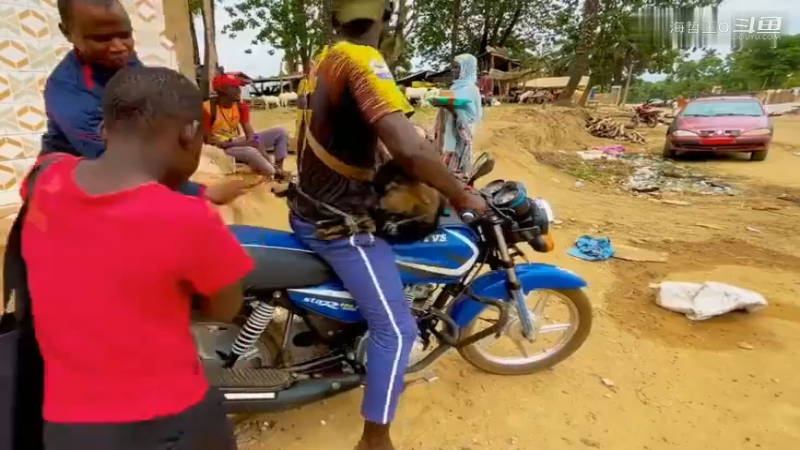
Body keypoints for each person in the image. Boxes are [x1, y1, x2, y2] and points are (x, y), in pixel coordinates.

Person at [290, 1, 487, 449]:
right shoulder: (362, 59)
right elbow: (411, 151)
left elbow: (361, 140)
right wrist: (463, 194)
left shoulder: (323, 58)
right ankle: (374, 440)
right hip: (340, 222)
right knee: (397, 330)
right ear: (387, 17)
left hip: (313, 205)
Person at [24, 65, 252, 450]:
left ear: (103, 131)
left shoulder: (46, 179)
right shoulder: (190, 221)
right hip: (166, 422)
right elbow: (226, 308)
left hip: (65, 426)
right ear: (190, 134)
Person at [43, 0, 248, 204]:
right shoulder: (69, 91)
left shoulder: (124, 60)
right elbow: (116, 163)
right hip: (65, 180)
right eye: (101, 39)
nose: (118, 47)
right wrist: (201, 192)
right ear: (68, 33)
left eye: (125, 35)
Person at [204, 73, 291, 180]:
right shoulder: (207, 109)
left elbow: (252, 135)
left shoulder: (241, 106)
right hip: (222, 148)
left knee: (280, 132)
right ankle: (274, 174)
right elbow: (209, 142)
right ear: (222, 91)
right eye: (234, 87)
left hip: (236, 141)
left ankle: (278, 168)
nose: (239, 90)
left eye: (239, 87)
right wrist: (246, 143)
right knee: (251, 151)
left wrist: (255, 142)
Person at [436, 53, 483, 175]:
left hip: (462, 135)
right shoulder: (454, 87)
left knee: (459, 164)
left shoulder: (472, 89)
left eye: (457, 67)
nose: (453, 70)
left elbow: (472, 116)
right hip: (450, 132)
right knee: (447, 160)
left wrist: (453, 110)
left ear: (466, 69)